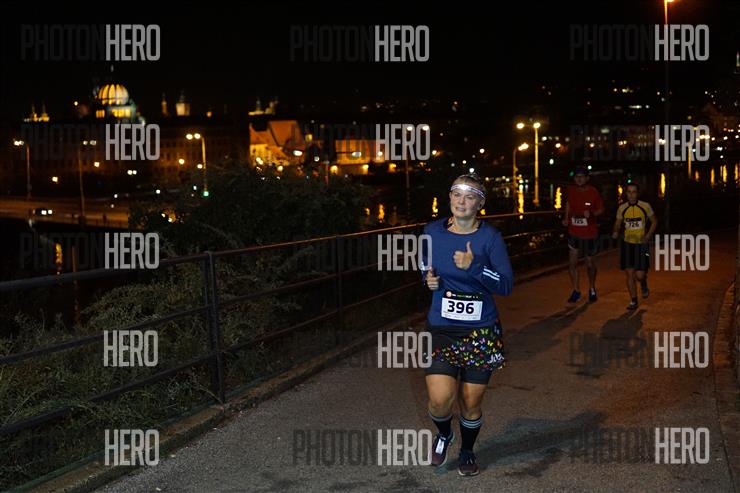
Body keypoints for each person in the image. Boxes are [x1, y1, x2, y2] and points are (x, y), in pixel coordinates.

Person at [419, 172, 513, 477]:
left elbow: (506, 285)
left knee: (471, 402)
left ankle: (468, 450)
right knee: (439, 401)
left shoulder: (490, 238)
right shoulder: (431, 232)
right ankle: (445, 434)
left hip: (480, 330)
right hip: (442, 327)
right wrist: (428, 280)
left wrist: (475, 266)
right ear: (449, 197)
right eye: (457, 194)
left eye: (470, 196)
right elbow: (425, 266)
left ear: (479, 204)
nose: (461, 202)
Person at [561, 166, 604, 303]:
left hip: (589, 234)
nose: (579, 179)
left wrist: (591, 213)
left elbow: (601, 209)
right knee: (572, 263)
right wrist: (566, 218)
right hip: (574, 232)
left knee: (590, 264)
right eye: (576, 177)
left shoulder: (593, 192)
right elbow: (568, 204)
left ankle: (591, 288)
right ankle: (576, 290)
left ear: (587, 178)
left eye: (581, 176)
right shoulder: (571, 190)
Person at [611, 182, 657, 310]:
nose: (631, 195)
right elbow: (617, 223)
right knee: (630, 273)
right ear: (626, 194)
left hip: (641, 245)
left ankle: (643, 282)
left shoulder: (645, 206)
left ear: (638, 193)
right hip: (627, 244)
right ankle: (633, 300)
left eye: (634, 192)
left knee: (639, 275)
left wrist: (648, 236)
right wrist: (615, 231)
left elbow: (654, 221)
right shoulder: (622, 208)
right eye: (629, 192)